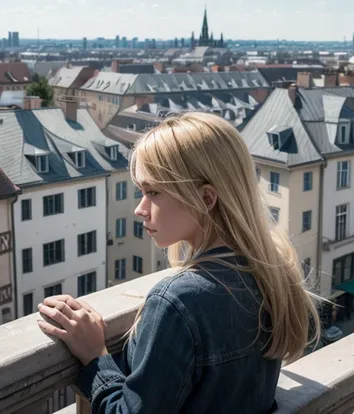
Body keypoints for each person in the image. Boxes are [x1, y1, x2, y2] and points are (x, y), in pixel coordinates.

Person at [37, 112, 321, 413]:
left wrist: (96, 357)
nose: (140, 209)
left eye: (153, 192)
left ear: (206, 198)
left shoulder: (176, 302)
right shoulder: (266, 273)